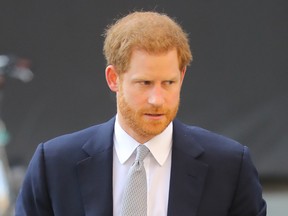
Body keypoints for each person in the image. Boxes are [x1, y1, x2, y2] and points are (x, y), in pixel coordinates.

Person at [15, 11, 266, 216]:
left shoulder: (230, 166)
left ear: (182, 77)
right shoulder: (55, 164)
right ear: (113, 78)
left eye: (168, 83)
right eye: (144, 83)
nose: (157, 99)